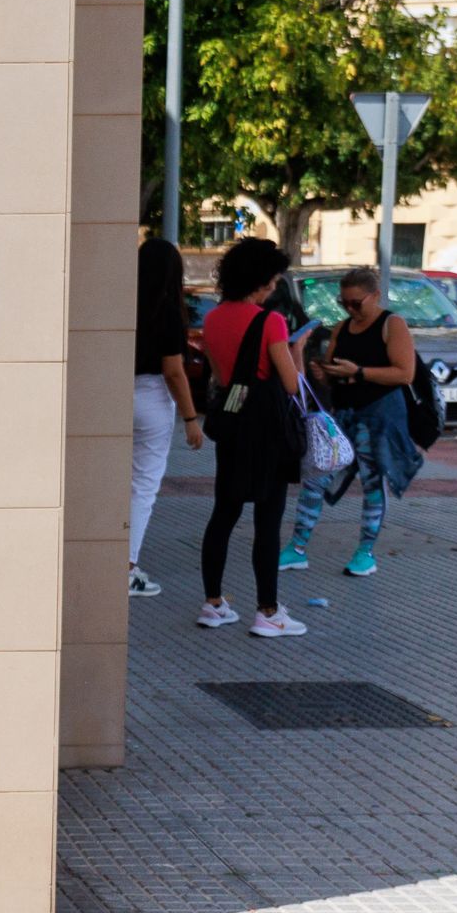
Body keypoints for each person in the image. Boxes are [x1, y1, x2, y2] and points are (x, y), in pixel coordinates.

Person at [196, 236, 307, 637]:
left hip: (233, 422)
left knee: (223, 513)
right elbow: (292, 385)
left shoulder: (212, 318)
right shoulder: (270, 321)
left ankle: (213, 603)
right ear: (260, 280)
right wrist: (299, 349)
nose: (275, 287)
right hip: (267, 430)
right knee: (268, 519)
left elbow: (222, 378)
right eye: (273, 280)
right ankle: (268, 611)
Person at [281, 266, 421, 578]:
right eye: (344, 302)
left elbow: (404, 373)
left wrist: (358, 372)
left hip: (379, 417)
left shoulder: (392, 324)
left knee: (373, 483)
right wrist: (325, 373)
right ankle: (297, 547)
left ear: (376, 296)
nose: (349, 308)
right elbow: (332, 372)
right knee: (317, 476)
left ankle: (365, 553)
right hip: (344, 416)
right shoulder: (343, 328)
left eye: (357, 302)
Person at [128, 236, 205, 597]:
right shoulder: (167, 310)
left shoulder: (123, 302)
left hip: (115, 395)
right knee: (143, 486)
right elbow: (173, 371)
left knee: (118, 482)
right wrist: (191, 419)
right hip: (151, 397)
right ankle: (127, 567)